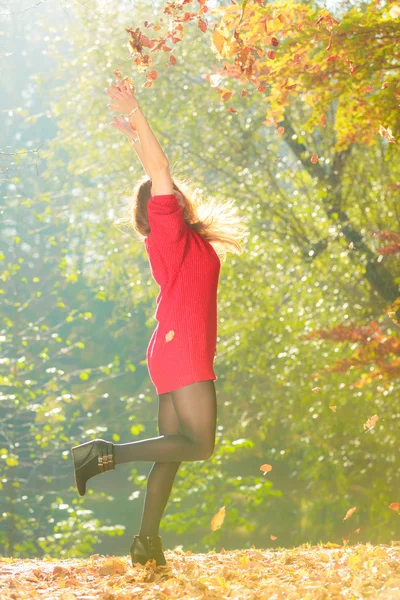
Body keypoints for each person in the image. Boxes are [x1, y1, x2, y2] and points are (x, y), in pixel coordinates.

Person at [71, 77, 247, 568]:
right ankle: (102, 454)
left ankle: (146, 545)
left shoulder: (180, 237)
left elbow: (154, 168)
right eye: (163, 195)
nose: (170, 193)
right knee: (201, 446)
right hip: (183, 348)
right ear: (156, 208)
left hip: (169, 348)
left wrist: (133, 135)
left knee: (171, 451)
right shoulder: (167, 229)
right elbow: (160, 168)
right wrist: (139, 113)